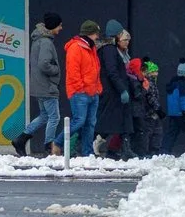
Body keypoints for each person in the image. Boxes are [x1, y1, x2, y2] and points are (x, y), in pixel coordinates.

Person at [19, 12, 65, 155]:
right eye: (59, 25)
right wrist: (56, 70)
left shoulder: (39, 40)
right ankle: (49, 145)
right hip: (47, 86)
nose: (61, 28)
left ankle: (22, 138)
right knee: (54, 117)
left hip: (40, 85)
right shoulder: (46, 42)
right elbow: (44, 64)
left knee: (45, 116)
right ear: (53, 26)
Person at [64, 19, 104, 157]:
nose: (97, 37)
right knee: (79, 121)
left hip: (92, 92)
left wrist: (97, 88)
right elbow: (73, 71)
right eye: (95, 34)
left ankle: (87, 152)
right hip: (81, 92)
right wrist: (80, 88)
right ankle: (58, 142)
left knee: (90, 124)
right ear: (89, 34)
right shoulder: (76, 47)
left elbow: (96, 70)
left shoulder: (90, 48)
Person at [98, 21, 135, 156]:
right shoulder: (109, 50)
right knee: (107, 122)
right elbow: (112, 71)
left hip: (114, 90)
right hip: (112, 91)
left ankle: (123, 148)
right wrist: (122, 89)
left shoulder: (109, 49)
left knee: (121, 121)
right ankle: (115, 148)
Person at [131, 61, 164, 156]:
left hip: (151, 112)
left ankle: (153, 150)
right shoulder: (148, 83)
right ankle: (148, 151)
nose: (156, 74)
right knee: (150, 132)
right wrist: (158, 108)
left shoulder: (150, 83)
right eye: (154, 71)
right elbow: (151, 98)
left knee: (156, 131)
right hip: (149, 112)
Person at [164, 61, 185, 155]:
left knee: (171, 133)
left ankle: (165, 150)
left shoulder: (173, 84)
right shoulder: (183, 85)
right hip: (181, 113)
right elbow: (183, 99)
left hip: (173, 113)